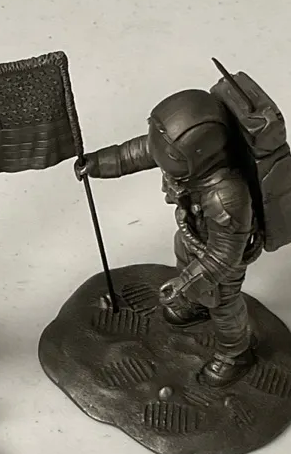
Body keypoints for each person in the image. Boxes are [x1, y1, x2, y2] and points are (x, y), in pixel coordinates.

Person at [75, 89, 262, 387]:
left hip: (223, 258)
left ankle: (235, 353)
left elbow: (223, 256)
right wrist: (97, 163)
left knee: (223, 302)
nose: (160, 154)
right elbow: (138, 152)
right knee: (183, 254)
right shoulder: (180, 152)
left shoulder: (226, 196)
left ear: (197, 156)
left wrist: (184, 285)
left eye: (170, 153)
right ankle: (197, 305)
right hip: (195, 236)